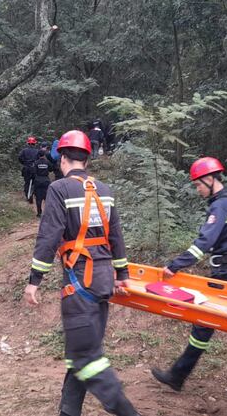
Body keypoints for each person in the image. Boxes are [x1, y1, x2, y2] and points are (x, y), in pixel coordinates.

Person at [24, 130, 140, 416]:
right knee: (81, 350)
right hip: (102, 280)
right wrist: (122, 273)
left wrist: (34, 280)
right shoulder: (105, 190)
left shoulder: (59, 188)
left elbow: (48, 236)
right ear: (86, 159)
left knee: (86, 356)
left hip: (79, 282)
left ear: (62, 158)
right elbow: (117, 237)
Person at [151, 157, 227, 402]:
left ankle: (179, 376)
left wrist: (175, 266)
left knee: (211, 324)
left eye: (198, 184)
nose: (197, 189)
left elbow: (205, 242)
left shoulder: (221, 206)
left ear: (210, 179)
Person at [33, 149, 54, 218]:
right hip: (46, 181)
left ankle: (39, 213)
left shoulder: (36, 163)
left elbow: (34, 172)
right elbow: (51, 169)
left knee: (38, 198)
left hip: (38, 181)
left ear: (38, 155)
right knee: (47, 198)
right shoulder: (47, 162)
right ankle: (47, 213)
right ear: (44, 155)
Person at [19, 136, 40, 202]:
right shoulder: (37, 151)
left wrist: (24, 163)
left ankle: (27, 196)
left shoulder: (24, 151)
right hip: (34, 169)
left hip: (26, 169)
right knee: (34, 183)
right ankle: (31, 194)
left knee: (27, 183)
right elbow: (39, 159)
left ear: (28, 143)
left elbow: (19, 158)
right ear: (34, 143)